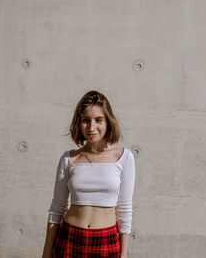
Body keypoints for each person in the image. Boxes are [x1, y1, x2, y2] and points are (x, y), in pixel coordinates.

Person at [42, 90, 136, 258]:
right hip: (69, 238)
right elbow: (57, 209)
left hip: (106, 242)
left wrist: (124, 254)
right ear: (79, 123)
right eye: (86, 120)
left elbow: (125, 209)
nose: (92, 127)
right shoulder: (69, 158)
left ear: (108, 122)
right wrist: (46, 253)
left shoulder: (124, 158)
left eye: (98, 120)